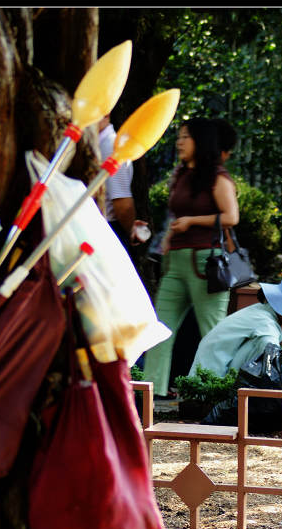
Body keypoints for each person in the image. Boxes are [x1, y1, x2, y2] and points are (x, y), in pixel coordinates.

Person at [143, 118, 240, 397]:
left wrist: (192, 222)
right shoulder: (182, 174)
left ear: (201, 142)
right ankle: (151, 394)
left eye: (186, 137)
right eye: (179, 137)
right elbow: (175, 213)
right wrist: (170, 236)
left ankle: (213, 394)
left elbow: (231, 217)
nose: (179, 142)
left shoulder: (218, 177)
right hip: (175, 262)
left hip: (206, 262)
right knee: (160, 329)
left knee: (212, 333)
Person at [188, 273, 282, 379]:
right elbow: (272, 358)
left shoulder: (261, 311)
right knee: (269, 349)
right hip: (213, 377)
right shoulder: (265, 324)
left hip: (211, 372)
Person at [98, 114, 150, 249]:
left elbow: (123, 204)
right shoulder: (99, 143)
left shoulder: (111, 146)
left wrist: (130, 229)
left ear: (106, 115)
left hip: (108, 231)